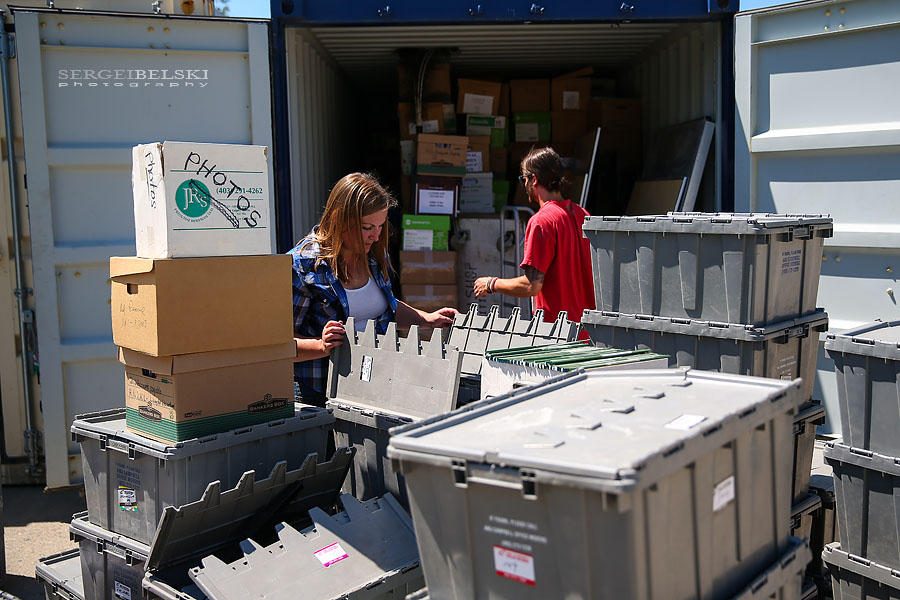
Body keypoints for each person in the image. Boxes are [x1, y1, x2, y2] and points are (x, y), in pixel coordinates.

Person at [290, 172, 457, 406]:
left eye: (380, 226)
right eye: (367, 227)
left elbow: (385, 309)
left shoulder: (372, 256)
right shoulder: (302, 265)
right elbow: (279, 344)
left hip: (373, 384)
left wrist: (427, 319)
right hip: (320, 394)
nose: (376, 236)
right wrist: (321, 345)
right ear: (339, 219)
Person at [473, 147, 595, 323]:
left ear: (534, 179)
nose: (524, 185)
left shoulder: (541, 221)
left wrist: (491, 283)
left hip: (557, 334)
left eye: (524, 179)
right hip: (589, 332)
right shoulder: (583, 214)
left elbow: (531, 286)